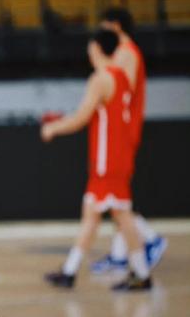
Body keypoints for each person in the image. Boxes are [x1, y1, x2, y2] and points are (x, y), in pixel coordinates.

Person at [42, 29, 152, 291]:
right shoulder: (122, 76)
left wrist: (54, 127)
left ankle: (139, 274)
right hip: (118, 157)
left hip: (107, 161)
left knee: (115, 216)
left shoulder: (101, 79)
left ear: (98, 48)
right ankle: (71, 271)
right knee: (103, 215)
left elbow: (81, 117)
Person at [90, 8, 167, 273]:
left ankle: (150, 239)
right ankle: (120, 254)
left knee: (116, 199)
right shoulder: (123, 53)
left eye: (105, 25)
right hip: (120, 131)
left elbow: (121, 89)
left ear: (116, 25)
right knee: (115, 199)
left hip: (123, 132)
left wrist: (98, 64)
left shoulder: (127, 53)